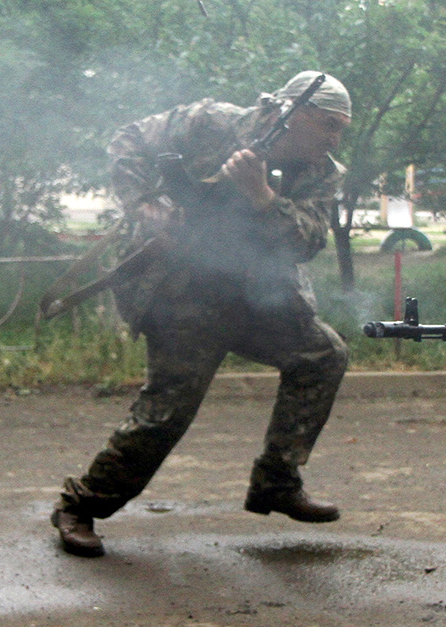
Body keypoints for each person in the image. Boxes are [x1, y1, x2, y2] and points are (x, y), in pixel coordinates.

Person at [50, 71, 353, 557]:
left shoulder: (322, 171)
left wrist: (262, 197)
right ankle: (79, 506)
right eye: (327, 125)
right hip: (180, 292)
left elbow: (308, 241)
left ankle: (276, 481)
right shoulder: (209, 123)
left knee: (323, 355)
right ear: (288, 114)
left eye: (341, 128)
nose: (335, 138)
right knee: (166, 414)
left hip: (257, 295)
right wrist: (146, 204)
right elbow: (127, 139)